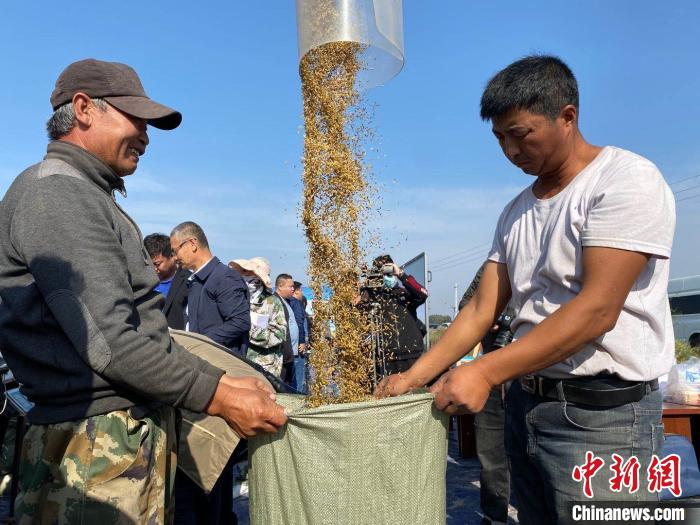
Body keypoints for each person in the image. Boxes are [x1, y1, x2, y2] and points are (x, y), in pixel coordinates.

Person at [377, 55, 675, 524]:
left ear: (568, 117)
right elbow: (480, 308)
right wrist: (413, 378)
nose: (511, 151)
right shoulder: (516, 211)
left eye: (521, 134)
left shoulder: (624, 181)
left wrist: (485, 372)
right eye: (499, 139)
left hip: (603, 418)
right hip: (528, 406)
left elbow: (597, 310)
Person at [0, 58, 287, 524]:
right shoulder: (58, 194)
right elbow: (112, 343)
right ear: (84, 109)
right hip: (89, 451)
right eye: (136, 119)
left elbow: (148, 332)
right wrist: (221, 397)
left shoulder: (90, 194)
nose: (147, 136)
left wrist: (225, 381)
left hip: (113, 443)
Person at [459, 264, 513, 525]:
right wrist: (493, 315)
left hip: (541, 370)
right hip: (494, 372)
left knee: (536, 457)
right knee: (491, 455)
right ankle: (495, 517)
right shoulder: (496, 265)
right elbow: (467, 306)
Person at [170, 221, 250, 356]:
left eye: (175, 251)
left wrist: (200, 342)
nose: (175, 258)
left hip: (222, 366)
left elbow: (240, 322)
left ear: (192, 244)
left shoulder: (225, 278)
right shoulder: (196, 281)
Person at [359, 254, 428, 376]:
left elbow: (423, 294)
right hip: (386, 358)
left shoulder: (404, 294)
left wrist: (401, 274)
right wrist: (365, 287)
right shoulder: (374, 298)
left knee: (414, 393)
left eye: (388, 273)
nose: (385, 277)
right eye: (382, 274)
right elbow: (359, 311)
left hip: (412, 355)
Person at [229, 257, 287, 378]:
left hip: (263, 368)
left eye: (249, 272)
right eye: (243, 271)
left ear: (259, 278)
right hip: (237, 365)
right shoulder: (235, 298)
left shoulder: (272, 302)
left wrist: (247, 327)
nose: (245, 275)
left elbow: (280, 334)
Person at [144, 232, 189, 329]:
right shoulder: (142, 281)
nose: (154, 269)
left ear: (172, 256)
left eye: (157, 264)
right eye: (149, 264)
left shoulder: (189, 281)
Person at [275, 274, 300, 386]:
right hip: (284, 357)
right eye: (290, 286)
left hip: (290, 355)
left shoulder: (287, 301)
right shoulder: (276, 302)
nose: (293, 289)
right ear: (280, 286)